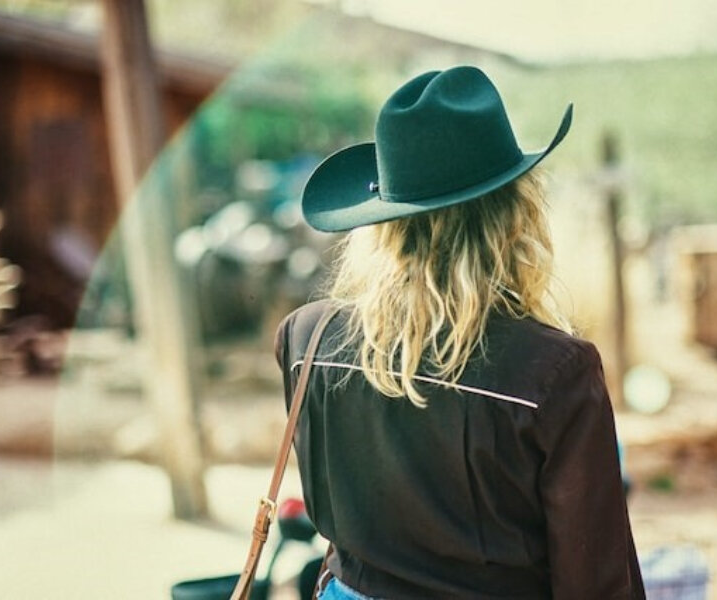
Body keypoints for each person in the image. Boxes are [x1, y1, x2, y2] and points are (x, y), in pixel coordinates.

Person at [275, 66, 645, 599]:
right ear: (515, 216)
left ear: (383, 221)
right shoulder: (555, 372)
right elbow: (596, 584)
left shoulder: (305, 340)